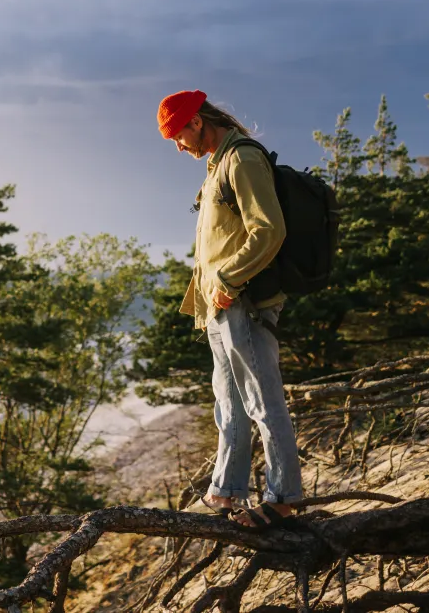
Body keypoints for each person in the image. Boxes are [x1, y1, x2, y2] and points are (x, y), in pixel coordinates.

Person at [157, 89, 304, 531]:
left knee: (262, 398)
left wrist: (227, 280)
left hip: (244, 301)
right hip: (220, 305)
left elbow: (268, 230)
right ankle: (226, 490)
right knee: (230, 403)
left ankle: (283, 498)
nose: (178, 146)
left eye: (178, 135)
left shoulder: (242, 159)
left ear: (196, 121)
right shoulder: (216, 167)